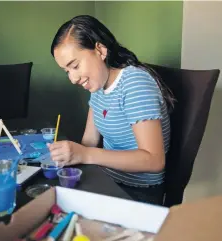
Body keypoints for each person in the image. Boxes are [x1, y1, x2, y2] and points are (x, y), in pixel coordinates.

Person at [48, 15, 174, 205]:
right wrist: (70, 155)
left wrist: (85, 154)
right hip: (106, 179)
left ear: (100, 50)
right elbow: (89, 142)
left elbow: (154, 161)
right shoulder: (98, 86)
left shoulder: (135, 83)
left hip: (137, 192)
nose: (73, 79)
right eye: (67, 71)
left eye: (75, 66)